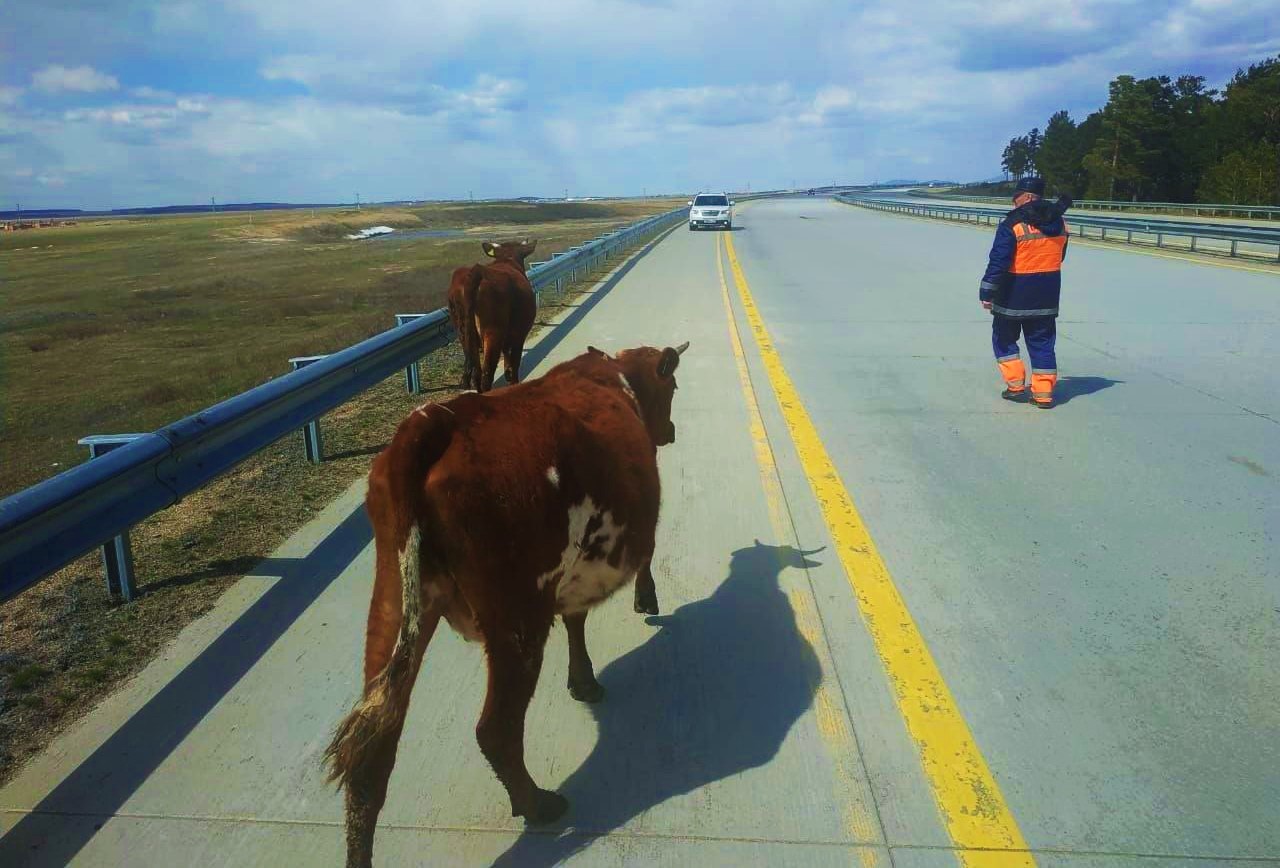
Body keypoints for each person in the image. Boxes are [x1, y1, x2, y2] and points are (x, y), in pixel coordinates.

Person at [978, 176, 1071, 408]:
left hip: (1012, 295)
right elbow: (1060, 256)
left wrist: (987, 292)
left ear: (1027, 197)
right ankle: (1043, 393)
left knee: (1004, 338)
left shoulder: (1013, 224)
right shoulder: (1060, 223)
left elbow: (999, 261)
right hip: (1047, 295)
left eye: (1015, 197)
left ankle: (1015, 385)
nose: (1013, 202)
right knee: (1042, 342)